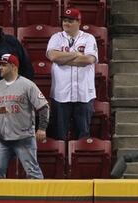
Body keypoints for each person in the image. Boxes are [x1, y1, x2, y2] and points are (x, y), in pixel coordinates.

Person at [0, 54, 49, 179]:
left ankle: (39, 198)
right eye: (0, 65)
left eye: (4, 65)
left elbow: (43, 107)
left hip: (24, 138)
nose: (0, 68)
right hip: (2, 139)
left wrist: (42, 128)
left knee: (33, 173)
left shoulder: (27, 85)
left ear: (13, 67)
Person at [45, 8, 98, 141]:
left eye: (70, 20)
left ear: (78, 22)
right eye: (64, 20)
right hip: (61, 94)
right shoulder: (56, 37)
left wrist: (63, 60)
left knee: (83, 136)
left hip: (84, 95)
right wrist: (75, 54)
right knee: (59, 136)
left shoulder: (88, 38)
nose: (66, 23)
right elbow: (53, 57)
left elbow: (88, 60)